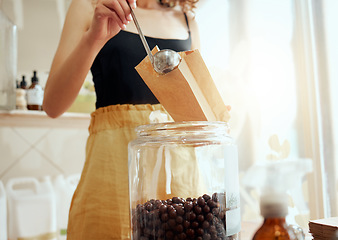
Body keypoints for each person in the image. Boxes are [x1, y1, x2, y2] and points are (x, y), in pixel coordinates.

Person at [43, 0, 200, 239]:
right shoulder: (89, 6)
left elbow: (196, 105)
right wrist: (94, 38)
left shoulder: (188, 19)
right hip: (112, 178)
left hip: (180, 179)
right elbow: (52, 105)